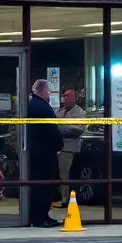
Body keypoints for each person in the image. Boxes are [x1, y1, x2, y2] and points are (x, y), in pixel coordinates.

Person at [27, 79, 63, 227]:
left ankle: (40, 216)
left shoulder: (32, 105)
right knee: (44, 184)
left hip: (37, 150)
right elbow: (51, 130)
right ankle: (41, 217)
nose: (49, 93)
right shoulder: (42, 107)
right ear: (42, 91)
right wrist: (58, 145)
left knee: (40, 184)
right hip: (44, 152)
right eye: (48, 91)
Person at [53, 88, 86, 209]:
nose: (65, 98)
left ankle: (65, 199)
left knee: (64, 174)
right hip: (57, 146)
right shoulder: (60, 111)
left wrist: (59, 128)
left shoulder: (79, 113)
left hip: (69, 148)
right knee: (56, 173)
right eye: (64, 96)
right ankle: (57, 196)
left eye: (67, 96)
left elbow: (76, 130)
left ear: (74, 98)